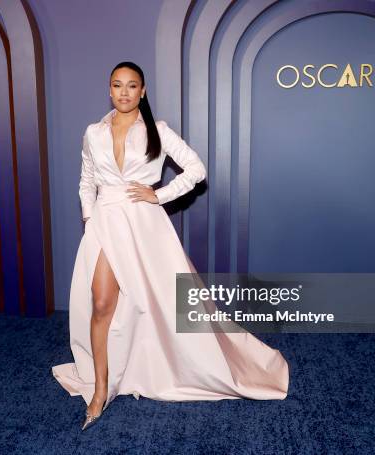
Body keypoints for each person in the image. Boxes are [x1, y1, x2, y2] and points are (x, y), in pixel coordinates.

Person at [51, 61, 289, 430]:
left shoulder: (157, 131)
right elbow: (86, 179)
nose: (124, 92)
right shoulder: (93, 133)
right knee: (101, 304)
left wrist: (159, 194)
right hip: (104, 223)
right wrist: (88, 218)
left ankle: (166, 365)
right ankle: (100, 390)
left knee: (158, 305)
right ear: (109, 90)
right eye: (117, 85)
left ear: (142, 91)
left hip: (144, 225)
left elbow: (196, 170)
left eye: (132, 86)